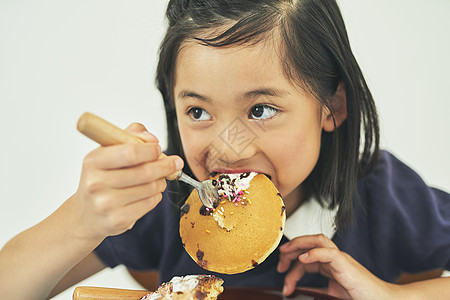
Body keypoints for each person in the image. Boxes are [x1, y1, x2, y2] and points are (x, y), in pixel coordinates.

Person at [1, 0, 449, 299]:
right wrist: (79, 220)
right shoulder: (161, 205)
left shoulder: (386, 195)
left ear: (330, 106)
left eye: (260, 109)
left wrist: (392, 295)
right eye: (197, 112)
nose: (226, 150)